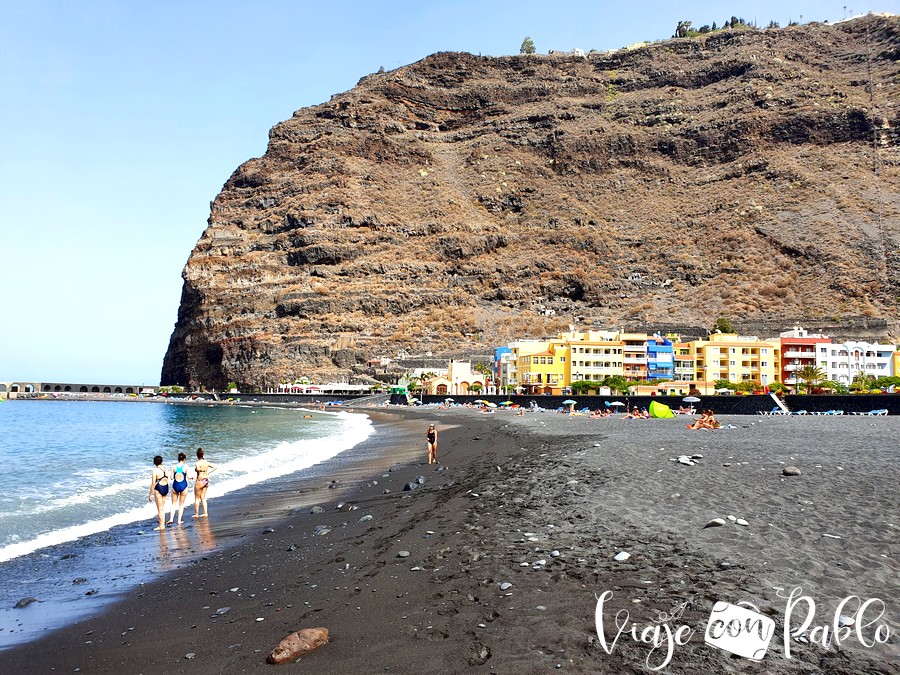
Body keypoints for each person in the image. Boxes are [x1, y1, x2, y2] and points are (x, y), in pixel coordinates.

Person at [193, 447, 218, 518]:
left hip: (200, 480)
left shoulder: (197, 463)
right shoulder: (206, 462)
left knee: (197, 498)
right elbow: (215, 467)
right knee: (203, 498)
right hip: (206, 479)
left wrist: (198, 469)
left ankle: (197, 514)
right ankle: (205, 512)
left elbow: (198, 469)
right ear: (203, 455)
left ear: (197, 455)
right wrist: (208, 472)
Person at [167, 452, 191, 525]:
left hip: (175, 486)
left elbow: (171, 478)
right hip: (183, 485)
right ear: (184, 459)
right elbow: (189, 477)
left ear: (178, 459)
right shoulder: (186, 466)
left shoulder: (174, 467)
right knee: (181, 504)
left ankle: (171, 519)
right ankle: (179, 520)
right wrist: (193, 477)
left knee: (173, 504)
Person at [148, 455, 169, 531]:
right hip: (166, 487)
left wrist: (150, 494)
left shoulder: (155, 470)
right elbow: (167, 478)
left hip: (159, 488)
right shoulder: (165, 468)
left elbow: (153, 483)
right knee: (162, 508)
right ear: (161, 461)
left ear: (154, 462)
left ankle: (161, 526)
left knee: (159, 509)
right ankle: (162, 525)